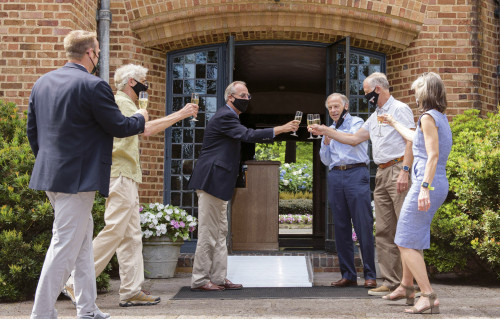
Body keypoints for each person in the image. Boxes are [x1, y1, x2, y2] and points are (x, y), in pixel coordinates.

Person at [27, 30, 148, 319]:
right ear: (91, 53)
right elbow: (119, 126)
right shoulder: (94, 86)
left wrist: (49, 164)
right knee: (65, 244)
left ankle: (87, 308)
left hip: (50, 175)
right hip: (77, 179)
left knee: (82, 243)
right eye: (98, 51)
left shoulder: (41, 83)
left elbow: (33, 132)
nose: (98, 56)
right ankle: (41, 312)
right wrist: (141, 118)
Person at [63, 64, 198, 307]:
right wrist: (182, 113)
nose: (147, 86)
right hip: (121, 175)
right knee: (115, 229)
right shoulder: (123, 102)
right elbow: (145, 129)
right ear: (132, 81)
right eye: (144, 81)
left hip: (127, 176)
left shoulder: (126, 104)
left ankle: (131, 290)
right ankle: (76, 282)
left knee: (131, 236)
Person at [308, 72, 416, 296]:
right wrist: (326, 132)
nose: (365, 97)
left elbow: (411, 140)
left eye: (366, 93)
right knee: (384, 232)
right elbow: (354, 139)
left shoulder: (399, 110)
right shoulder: (375, 116)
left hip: (394, 169)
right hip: (380, 172)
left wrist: (405, 170)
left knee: (401, 229)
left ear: (377, 89)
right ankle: (390, 282)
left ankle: (406, 283)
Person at [188, 81, 299, 291]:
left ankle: (219, 278)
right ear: (230, 97)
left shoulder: (231, 116)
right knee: (208, 233)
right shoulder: (225, 116)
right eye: (243, 95)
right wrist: (281, 129)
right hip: (211, 181)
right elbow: (248, 135)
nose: (247, 99)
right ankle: (200, 279)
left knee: (221, 233)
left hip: (219, 184)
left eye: (249, 96)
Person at [380, 72, 451, 314]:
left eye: (417, 90)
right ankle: (407, 286)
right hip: (436, 181)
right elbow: (415, 138)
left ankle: (428, 296)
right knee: (412, 237)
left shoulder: (428, 117)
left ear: (426, 92)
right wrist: (393, 122)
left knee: (404, 239)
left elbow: (432, 155)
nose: (415, 95)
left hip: (427, 182)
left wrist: (423, 188)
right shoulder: (438, 117)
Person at [319, 93, 376, 288]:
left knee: (363, 225)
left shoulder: (357, 122)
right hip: (336, 176)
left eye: (336, 106)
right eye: (330, 108)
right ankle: (348, 274)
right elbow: (325, 160)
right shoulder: (329, 130)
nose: (333, 111)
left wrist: (329, 133)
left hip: (356, 173)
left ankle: (370, 274)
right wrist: (326, 143)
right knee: (341, 227)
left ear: (345, 106)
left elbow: (352, 140)